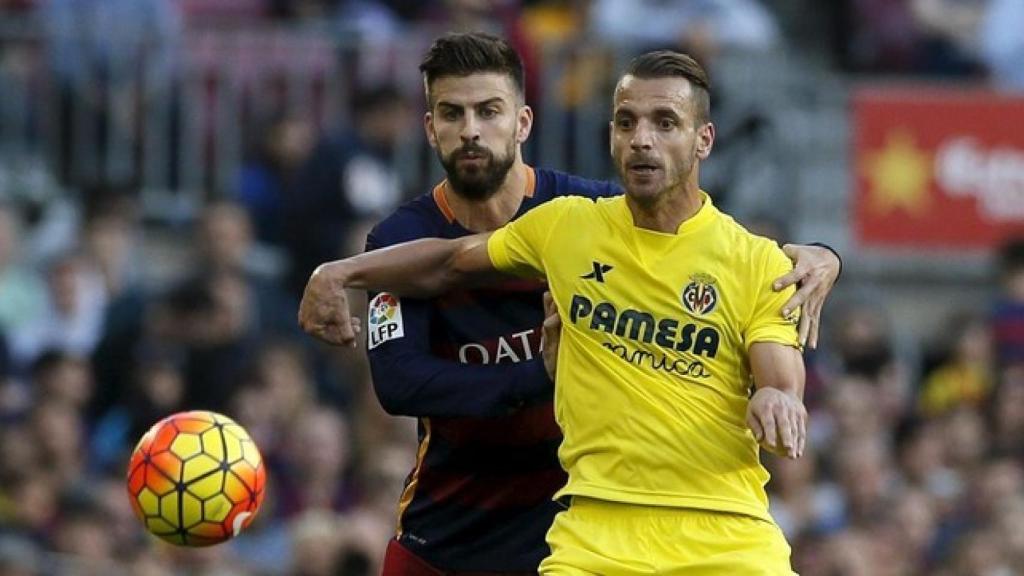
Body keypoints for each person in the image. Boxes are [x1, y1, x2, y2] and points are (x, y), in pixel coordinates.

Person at [304, 37, 835, 575]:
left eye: (488, 111)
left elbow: (757, 327)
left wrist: (825, 265)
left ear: (523, 122)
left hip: (601, 518)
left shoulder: (605, 211)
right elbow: (401, 379)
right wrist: (337, 271)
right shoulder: (524, 230)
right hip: (465, 522)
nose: (470, 130)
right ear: (429, 127)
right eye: (452, 113)